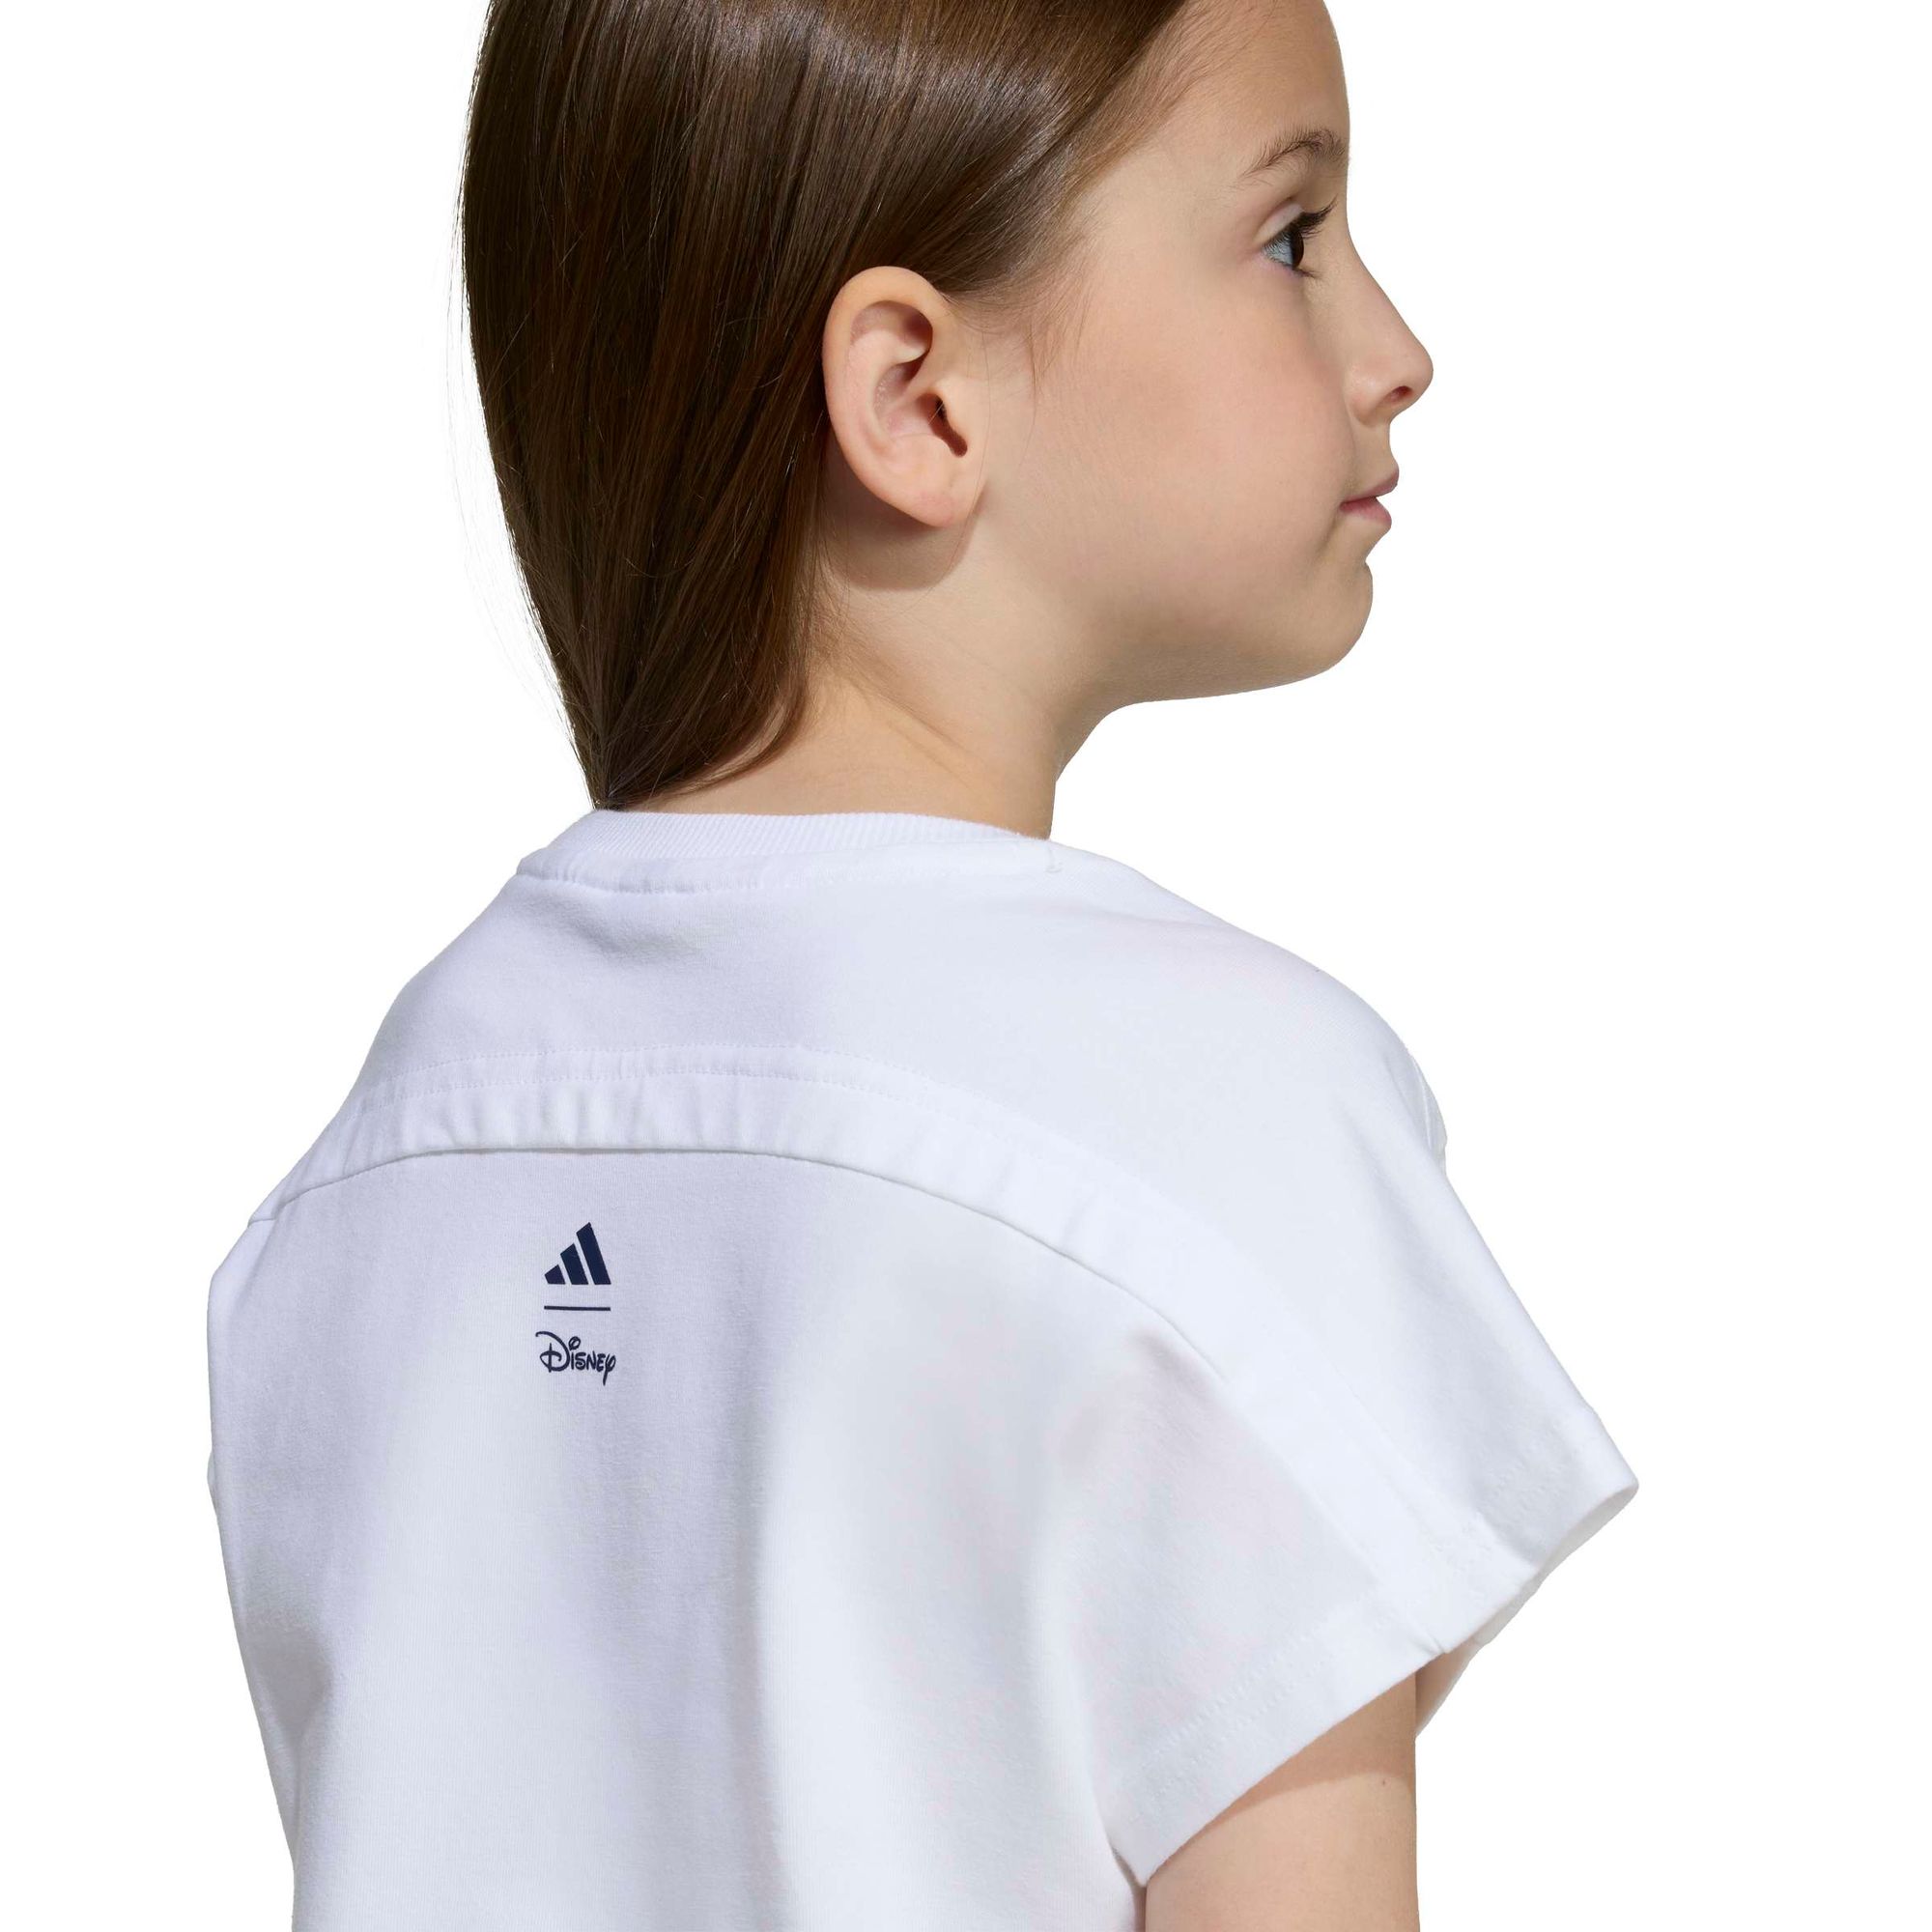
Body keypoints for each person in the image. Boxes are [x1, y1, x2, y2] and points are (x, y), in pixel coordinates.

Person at [205, 0, 1637, 1924]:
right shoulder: (1221, 1109)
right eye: (1292, 236)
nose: (1396, 351)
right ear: (920, 396)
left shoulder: (372, 1172)